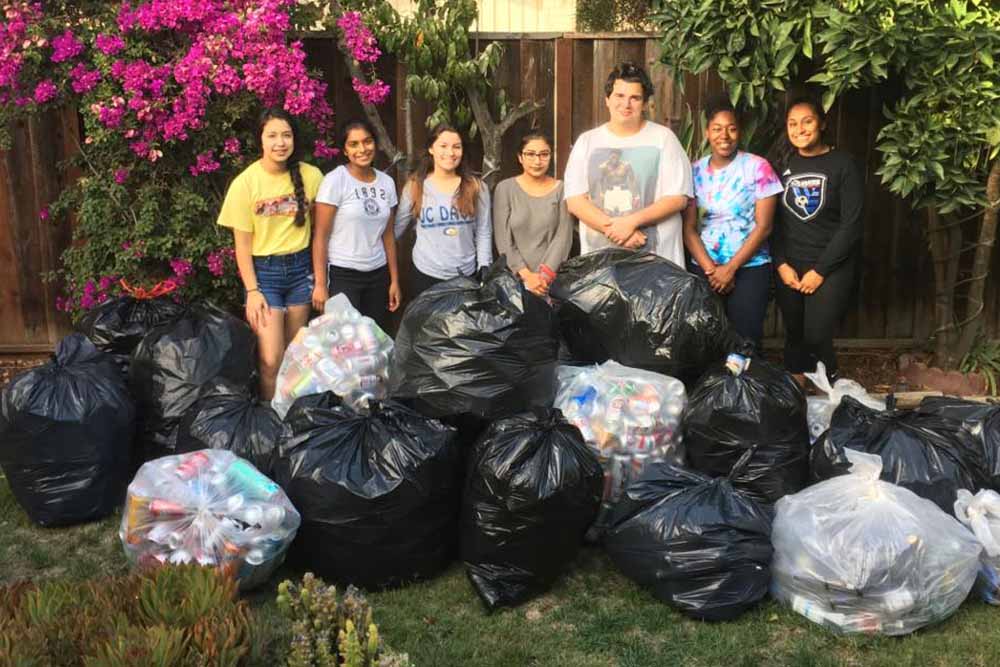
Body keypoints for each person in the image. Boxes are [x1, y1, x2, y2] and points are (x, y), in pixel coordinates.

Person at [217, 108, 323, 400]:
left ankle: (292, 417)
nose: (280, 142)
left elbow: (321, 232)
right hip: (265, 276)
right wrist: (252, 290)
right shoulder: (245, 183)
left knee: (295, 356)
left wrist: (319, 277)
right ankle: (269, 420)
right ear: (260, 140)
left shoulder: (311, 176)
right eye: (272, 135)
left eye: (286, 135)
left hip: (301, 271)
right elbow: (242, 246)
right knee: (271, 359)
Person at [563, 61, 693, 265]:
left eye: (635, 98)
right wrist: (617, 231)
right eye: (620, 96)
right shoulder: (587, 142)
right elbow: (575, 201)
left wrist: (631, 222)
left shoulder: (664, 139)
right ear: (607, 99)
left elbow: (677, 198)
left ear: (644, 103)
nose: (626, 104)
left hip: (658, 263)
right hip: (602, 264)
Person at [773, 95, 864, 382]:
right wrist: (781, 263)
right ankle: (795, 399)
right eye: (792, 124)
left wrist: (820, 270)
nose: (799, 129)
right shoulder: (783, 165)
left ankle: (832, 389)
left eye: (807, 121)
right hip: (790, 264)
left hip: (830, 264)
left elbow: (851, 225)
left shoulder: (843, 164)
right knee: (795, 332)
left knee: (816, 332)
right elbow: (772, 222)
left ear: (822, 124)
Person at [683, 96, 783, 349]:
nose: (724, 135)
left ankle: (745, 388)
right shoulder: (694, 172)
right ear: (707, 132)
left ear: (739, 131)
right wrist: (711, 269)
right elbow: (689, 228)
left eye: (731, 128)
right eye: (717, 128)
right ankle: (711, 389)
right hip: (705, 268)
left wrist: (730, 269)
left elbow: (764, 227)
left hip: (750, 267)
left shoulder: (758, 168)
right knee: (705, 340)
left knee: (745, 341)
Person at [311, 119, 401, 331]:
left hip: (378, 275)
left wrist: (394, 280)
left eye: (367, 141)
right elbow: (320, 236)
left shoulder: (386, 183)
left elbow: (388, 236)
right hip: (343, 275)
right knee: (346, 346)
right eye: (354, 144)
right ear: (344, 150)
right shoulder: (335, 181)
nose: (362, 149)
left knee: (376, 344)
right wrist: (321, 284)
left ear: (375, 144)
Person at [394, 123, 491, 299]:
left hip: (465, 276)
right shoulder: (415, 186)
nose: (451, 153)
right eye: (443, 146)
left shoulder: (477, 187)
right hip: (425, 275)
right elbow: (397, 229)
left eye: (456, 147)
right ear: (431, 149)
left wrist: (484, 269)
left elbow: (483, 232)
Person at [492, 131, 573, 296]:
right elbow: (503, 238)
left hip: (551, 281)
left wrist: (544, 277)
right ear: (520, 157)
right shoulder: (505, 189)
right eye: (530, 154)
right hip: (515, 281)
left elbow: (563, 236)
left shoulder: (562, 189)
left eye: (544, 154)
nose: (537, 161)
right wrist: (527, 275)